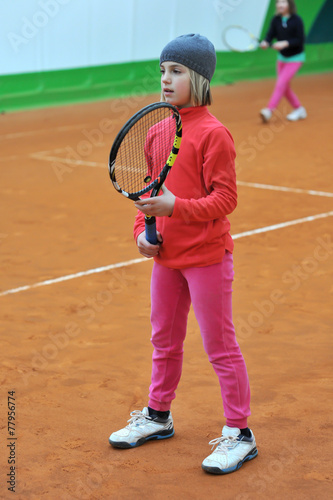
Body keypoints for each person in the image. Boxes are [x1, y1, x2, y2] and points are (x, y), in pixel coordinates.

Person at [108, 33, 258, 475]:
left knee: (220, 346)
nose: (166, 80)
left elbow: (225, 200)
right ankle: (157, 416)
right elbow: (148, 197)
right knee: (164, 341)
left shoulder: (215, 134)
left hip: (208, 256)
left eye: (176, 71)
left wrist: (178, 208)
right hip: (166, 259)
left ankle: (240, 434)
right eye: (162, 72)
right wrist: (142, 232)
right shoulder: (157, 132)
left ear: (198, 76)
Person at [260, 0, 307, 122]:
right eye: (278, 2)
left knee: (281, 83)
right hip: (282, 58)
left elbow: (300, 40)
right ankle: (299, 109)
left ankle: (269, 110)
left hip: (296, 58)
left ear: (289, 5)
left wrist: (285, 43)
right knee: (284, 87)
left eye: (283, 2)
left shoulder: (297, 20)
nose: (280, 5)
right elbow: (270, 35)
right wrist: (266, 42)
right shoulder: (275, 19)